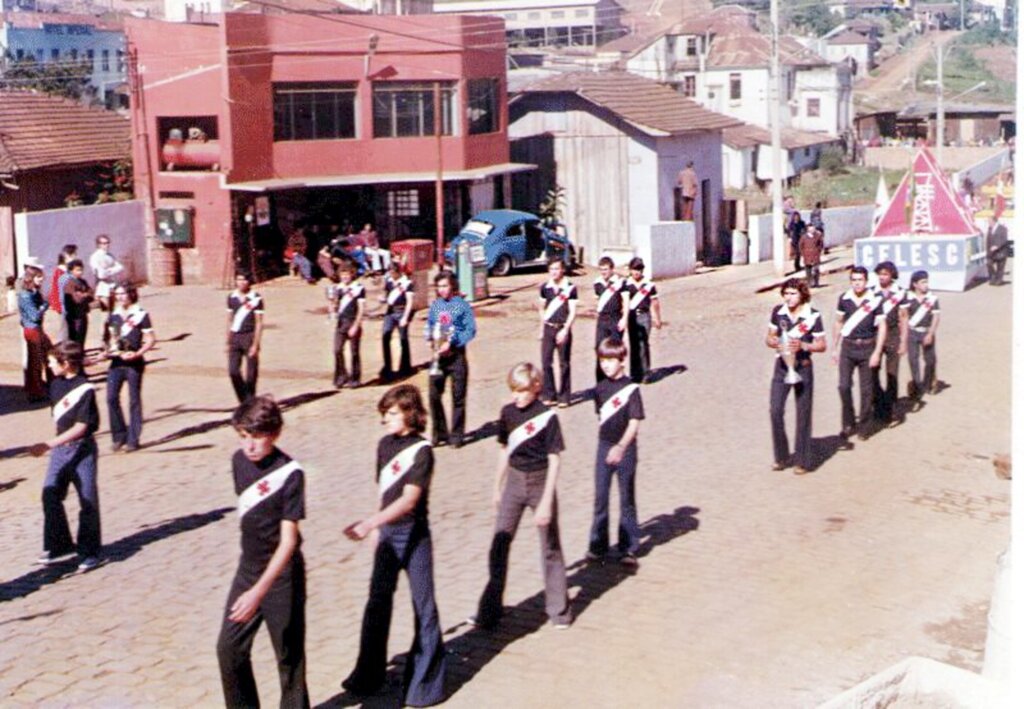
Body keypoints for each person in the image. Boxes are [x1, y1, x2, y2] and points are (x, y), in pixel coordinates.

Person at [342, 385, 447, 706]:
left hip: (413, 536)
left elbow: (409, 499)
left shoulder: (422, 451)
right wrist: (378, 528)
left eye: (391, 413)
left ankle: (426, 685)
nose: (385, 420)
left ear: (409, 414)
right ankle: (368, 673)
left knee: (423, 607)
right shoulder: (384, 446)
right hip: (387, 535)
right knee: (377, 603)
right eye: (383, 414)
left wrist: (369, 524)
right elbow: (385, 491)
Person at [216, 396, 309, 709]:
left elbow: (288, 541)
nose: (249, 445)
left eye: (257, 437)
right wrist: (251, 587)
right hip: (249, 568)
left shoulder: (291, 473)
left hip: (282, 575)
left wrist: (259, 592)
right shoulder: (238, 462)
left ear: (275, 434)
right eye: (243, 436)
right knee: (229, 649)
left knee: (288, 656)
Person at [472, 362, 572, 630]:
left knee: (550, 547)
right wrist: (497, 486)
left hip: (540, 482)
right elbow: (504, 450)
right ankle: (489, 610)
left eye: (522, 390)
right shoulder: (507, 413)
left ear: (536, 388)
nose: (516, 396)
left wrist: (547, 502)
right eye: (513, 390)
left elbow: (555, 460)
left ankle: (559, 611)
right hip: (514, 483)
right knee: (500, 543)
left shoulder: (547, 417)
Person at [29, 341, 103, 573]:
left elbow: (81, 426)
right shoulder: (55, 385)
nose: (49, 366)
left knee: (87, 499)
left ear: (67, 363)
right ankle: (59, 545)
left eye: (52, 362)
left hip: (82, 450)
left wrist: (48, 444)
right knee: (50, 494)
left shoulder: (85, 389)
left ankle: (90, 551)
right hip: (61, 450)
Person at [587, 337, 645, 565]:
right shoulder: (599, 389)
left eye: (611, 360)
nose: (606, 365)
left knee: (626, 497)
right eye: (602, 360)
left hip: (626, 448)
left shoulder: (631, 389)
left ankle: (628, 546)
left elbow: (634, 421)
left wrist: (621, 446)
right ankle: (597, 544)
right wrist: (608, 446)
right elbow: (601, 417)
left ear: (622, 360)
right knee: (600, 496)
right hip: (604, 445)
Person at [766, 279, 826, 474]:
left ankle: (802, 460)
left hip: (803, 366)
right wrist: (773, 341)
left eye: (793, 294)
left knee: (803, 414)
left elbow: (822, 344)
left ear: (802, 295)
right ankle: (781, 456)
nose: (789, 298)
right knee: (775, 410)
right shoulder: (778, 312)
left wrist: (804, 346)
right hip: (782, 366)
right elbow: (768, 337)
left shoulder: (813, 315)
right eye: (786, 293)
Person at [832, 267, 887, 441]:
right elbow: (839, 323)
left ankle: (864, 425)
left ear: (866, 281)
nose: (857, 283)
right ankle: (848, 423)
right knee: (843, 386)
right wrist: (835, 347)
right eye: (854, 280)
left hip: (867, 348)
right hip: (848, 348)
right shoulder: (844, 299)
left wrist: (877, 352)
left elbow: (882, 327)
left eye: (860, 280)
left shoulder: (875, 300)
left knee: (866, 390)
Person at [425, 271, 477, 448]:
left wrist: (453, 342)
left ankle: (456, 436)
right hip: (438, 358)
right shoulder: (435, 306)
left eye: (445, 286)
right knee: (433, 394)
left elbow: (470, 330)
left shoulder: (462, 305)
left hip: (456, 356)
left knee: (458, 397)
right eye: (439, 286)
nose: (442, 290)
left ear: (452, 286)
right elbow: (431, 325)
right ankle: (439, 432)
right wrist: (430, 338)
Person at [104, 284, 156, 453]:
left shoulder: (141, 315)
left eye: (123, 293)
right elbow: (112, 339)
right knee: (111, 398)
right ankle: (119, 435)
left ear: (131, 294)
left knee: (134, 400)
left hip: (134, 363)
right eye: (117, 294)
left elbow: (150, 339)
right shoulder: (114, 316)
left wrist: (138, 353)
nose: (119, 297)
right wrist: (110, 352)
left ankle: (133, 438)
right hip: (117, 362)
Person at [870, 262, 909, 427]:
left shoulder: (899, 293)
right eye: (880, 274)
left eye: (885, 274)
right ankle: (879, 405)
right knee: (872, 372)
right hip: (875, 335)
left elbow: (904, 318)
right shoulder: (871, 292)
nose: (882, 277)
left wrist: (903, 341)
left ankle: (891, 407)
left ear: (892, 275)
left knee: (892, 374)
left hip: (893, 334)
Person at [537, 258, 578, 407]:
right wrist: (542, 329)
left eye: (557, 268)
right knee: (546, 362)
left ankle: (564, 396)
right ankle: (549, 394)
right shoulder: (544, 288)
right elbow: (541, 308)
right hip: (549, 328)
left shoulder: (570, 288)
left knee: (564, 363)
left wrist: (566, 329)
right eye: (551, 269)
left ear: (562, 270)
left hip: (563, 328)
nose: (554, 272)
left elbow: (573, 311)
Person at [226, 272, 264, 403]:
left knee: (251, 373)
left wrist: (255, 343)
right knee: (233, 371)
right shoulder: (232, 297)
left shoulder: (255, 298)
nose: (241, 282)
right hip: (235, 337)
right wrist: (228, 340)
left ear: (249, 282)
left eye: (244, 280)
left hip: (249, 335)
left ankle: (250, 399)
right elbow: (230, 320)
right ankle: (243, 399)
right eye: (238, 279)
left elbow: (259, 322)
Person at [905, 270, 941, 409]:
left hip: (927, 331)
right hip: (912, 332)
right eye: (923, 282)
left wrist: (930, 333)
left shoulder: (932, 298)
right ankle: (916, 386)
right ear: (915, 284)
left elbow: (936, 317)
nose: (926, 285)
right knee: (913, 360)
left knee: (930, 359)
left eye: (926, 282)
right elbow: (904, 315)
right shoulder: (908, 298)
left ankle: (929, 382)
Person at [625, 257, 662, 384]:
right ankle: (635, 374)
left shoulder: (649, 284)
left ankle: (645, 373)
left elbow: (654, 302)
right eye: (634, 269)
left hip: (644, 316)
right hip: (631, 316)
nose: (636, 272)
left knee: (643, 344)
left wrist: (657, 318)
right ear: (630, 270)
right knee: (633, 344)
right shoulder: (626, 284)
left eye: (639, 270)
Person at [593, 256, 628, 384]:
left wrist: (624, 319)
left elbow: (626, 300)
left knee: (615, 349)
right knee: (599, 348)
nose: (604, 272)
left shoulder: (620, 282)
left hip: (615, 318)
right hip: (602, 319)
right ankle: (601, 381)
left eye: (606, 269)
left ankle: (617, 380)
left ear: (612, 269)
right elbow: (598, 301)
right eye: (601, 269)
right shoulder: (597, 283)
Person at [331, 262, 365, 389]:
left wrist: (356, 325)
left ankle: (355, 378)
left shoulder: (358, 288)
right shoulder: (338, 288)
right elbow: (336, 305)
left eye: (347, 274)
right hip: (341, 322)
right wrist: (333, 305)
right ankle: (341, 375)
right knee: (337, 349)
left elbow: (361, 308)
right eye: (342, 274)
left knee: (354, 352)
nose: (345, 277)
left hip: (352, 320)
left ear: (352, 275)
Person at [18, 264, 50, 401]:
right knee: (35, 361)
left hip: (36, 328)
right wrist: (43, 307)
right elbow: (35, 315)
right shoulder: (26, 296)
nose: (41, 280)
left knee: (40, 358)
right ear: (31, 279)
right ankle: (35, 391)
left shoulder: (33, 292)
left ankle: (37, 387)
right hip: (32, 329)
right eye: (38, 277)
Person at [380, 261, 414, 381]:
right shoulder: (389, 281)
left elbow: (410, 301)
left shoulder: (407, 283)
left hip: (401, 311)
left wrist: (405, 317)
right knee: (385, 336)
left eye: (393, 272)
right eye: (390, 272)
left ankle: (405, 367)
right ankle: (387, 367)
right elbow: (387, 295)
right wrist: (383, 299)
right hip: (390, 312)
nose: (391, 274)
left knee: (403, 340)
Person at [49, 244, 78, 343]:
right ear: (66, 256)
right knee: (64, 329)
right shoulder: (60, 271)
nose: (75, 257)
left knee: (69, 327)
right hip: (63, 305)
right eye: (73, 255)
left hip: (69, 303)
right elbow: (57, 290)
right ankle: (63, 350)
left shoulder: (67, 271)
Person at [62, 259, 94, 348]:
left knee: (82, 337)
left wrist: (83, 295)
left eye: (81, 270)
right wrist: (85, 295)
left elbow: (91, 294)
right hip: (74, 317)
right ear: (71, 271)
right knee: (75, 339)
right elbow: (77, 299)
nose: (80, 272)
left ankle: (80, 356)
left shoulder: (83, 281)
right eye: (77, 270)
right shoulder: (69, 284)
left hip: (82, 314)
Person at [88, 234, 124, 312]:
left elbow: (120, 267)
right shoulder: (95, 257)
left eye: (107, 243)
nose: (106, 245)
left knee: (114, 308)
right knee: (106, 308)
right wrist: (112, 270)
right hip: (102, 285)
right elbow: (101, 275)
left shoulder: (110, 256)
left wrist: (108, 271)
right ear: (98, 244)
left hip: (112, 284)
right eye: (104, 243)